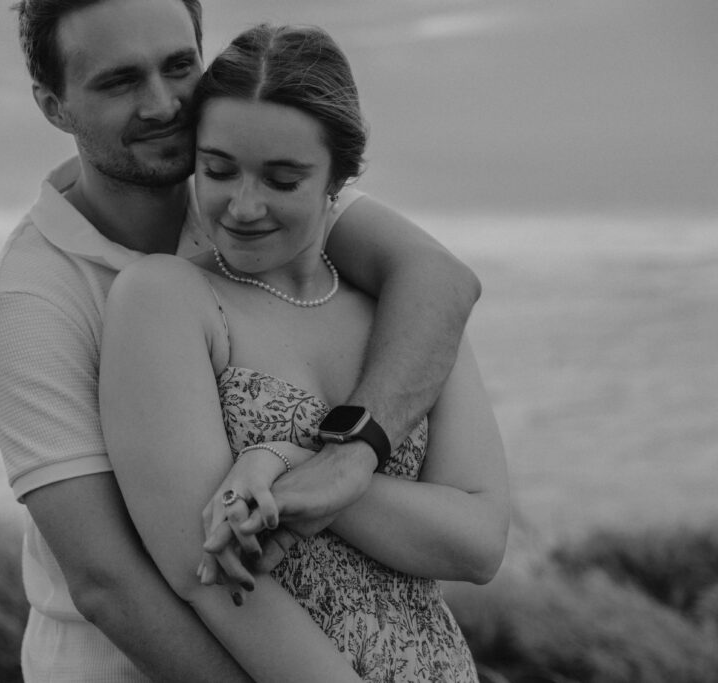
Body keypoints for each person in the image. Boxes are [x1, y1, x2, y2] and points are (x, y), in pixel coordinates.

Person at [0, 0, 482, 680]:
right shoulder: (26, 301)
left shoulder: (247, 194)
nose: (162, 104)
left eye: (179, 66)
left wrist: (353, 454)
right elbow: (108, 583)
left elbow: (437, 280)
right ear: (53, 104)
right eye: (120, 82)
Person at [98, 23, 508, 683]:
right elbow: (207, 575)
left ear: (337, 179)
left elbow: (478, 543)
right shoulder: (167, 299)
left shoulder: (406, 315)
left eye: (283, 179)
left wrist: (291, 462)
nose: (244, 205)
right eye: (219, 169)